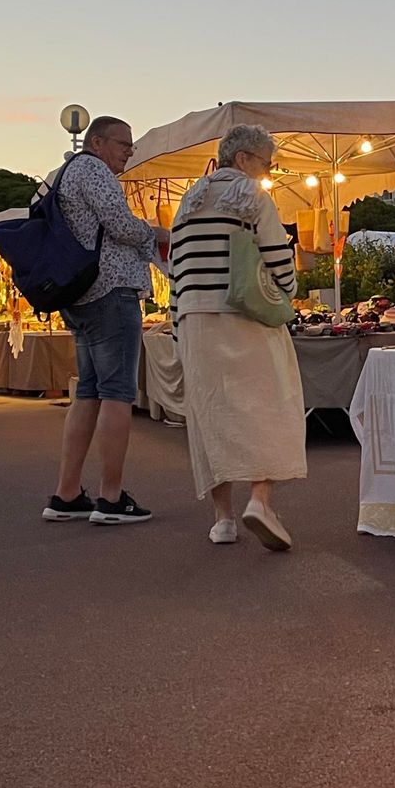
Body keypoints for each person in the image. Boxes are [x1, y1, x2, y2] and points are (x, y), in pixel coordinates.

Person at [169, 125, 304, 549]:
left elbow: (175, 273)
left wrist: (179, 328)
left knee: (212, 416)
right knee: (267, 405)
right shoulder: (253, 197)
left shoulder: (186, 204)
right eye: (267, 162)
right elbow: (280, 263)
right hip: (245, 316)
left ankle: (222, 519)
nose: (269, 171)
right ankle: (260, 501)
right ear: (243, 159)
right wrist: (289, 291)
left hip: (194, 320)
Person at [44, 115, 166, 523]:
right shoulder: (94, 171)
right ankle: (111, 497)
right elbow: (118, 223)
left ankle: (66, 493)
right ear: (97, 142)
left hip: (79, 295)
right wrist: (155, 233)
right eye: (123, 143)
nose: (130, 150)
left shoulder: (65, 174)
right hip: (110, 291)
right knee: (117, 392)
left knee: (89, 392)